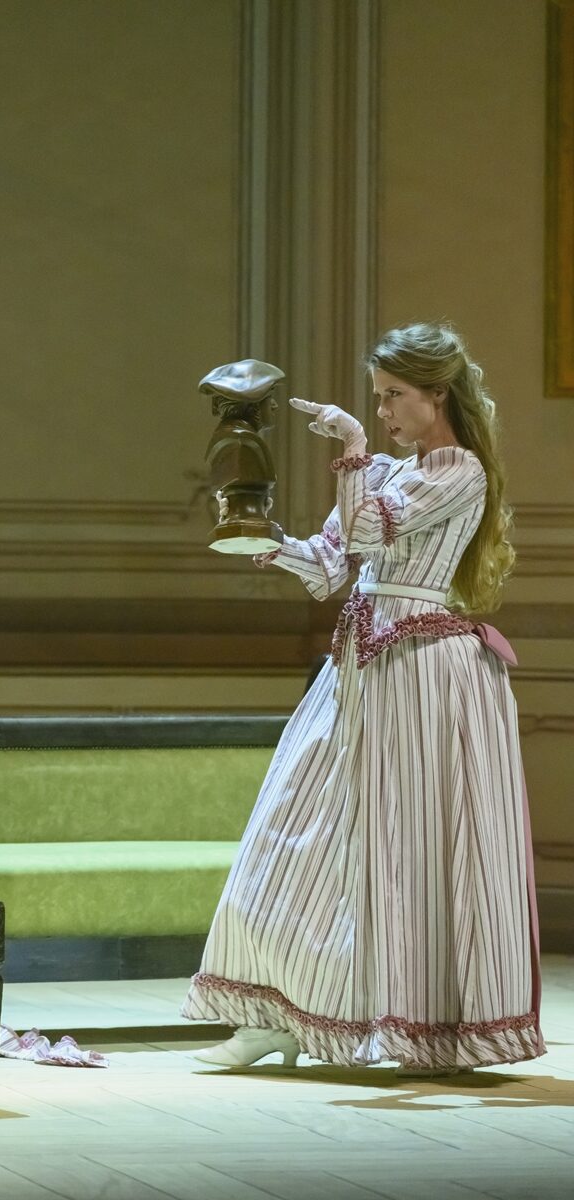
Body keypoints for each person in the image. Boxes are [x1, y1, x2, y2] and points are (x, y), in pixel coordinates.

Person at [181, 321, 545, 1077]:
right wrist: (258, 535)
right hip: (360, 668)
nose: (381, 412)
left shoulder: (459, 471)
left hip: (424, 672)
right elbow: (328, 567)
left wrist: (349, 446)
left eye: (392, 396)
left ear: (436, 394)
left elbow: (371, 532)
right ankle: (273, 1016)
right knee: (288, 832)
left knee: (406, 848)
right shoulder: (384, 470)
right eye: (376, 399)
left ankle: (424, 1025)